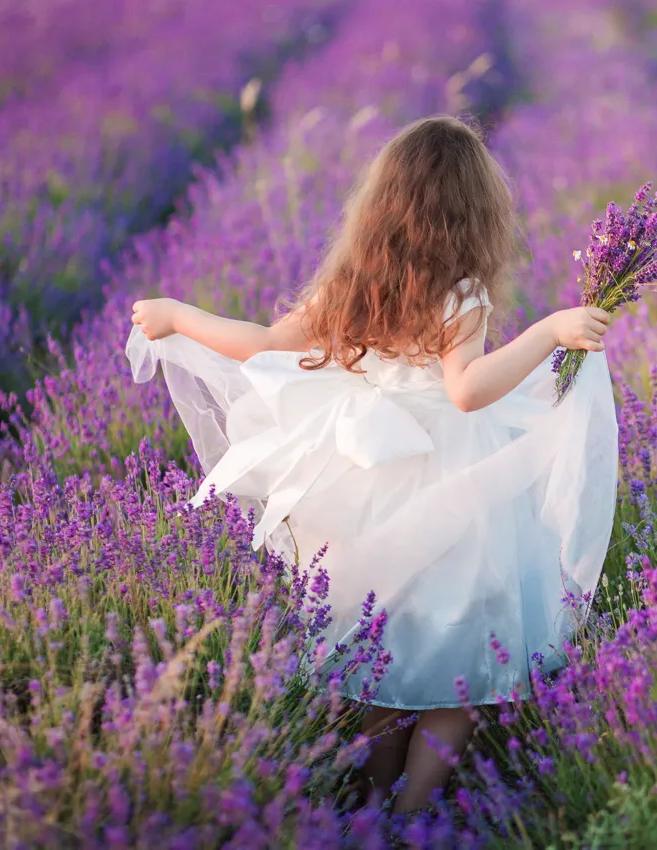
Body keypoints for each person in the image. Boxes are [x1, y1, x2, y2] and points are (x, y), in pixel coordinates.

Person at [126, 115, 617, 813]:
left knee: (381, 649)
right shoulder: (462, 293)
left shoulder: (355, 283)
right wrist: (551, 331)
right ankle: (414, 812)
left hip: (367, 484)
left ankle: (373, 800)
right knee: (467, 655)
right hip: (447, 483)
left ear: (380, 205)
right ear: (476, 213)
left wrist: (178, 315)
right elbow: (468, 392)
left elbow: (263, 344)